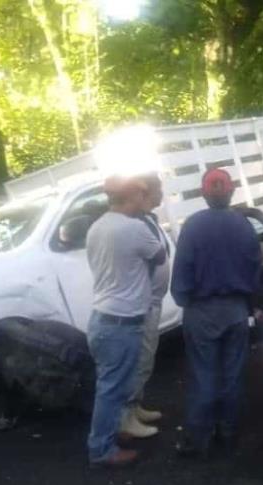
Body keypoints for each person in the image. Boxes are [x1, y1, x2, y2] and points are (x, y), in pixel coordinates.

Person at [171, 168, 263, 459]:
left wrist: (184, 299)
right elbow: (254, 269)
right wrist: (252, 305)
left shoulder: (193, 226)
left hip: (201, 310)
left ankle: (198, 438)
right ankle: (228, 431)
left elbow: (182, 270)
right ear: (232, 191)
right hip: (236, 310)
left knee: (204, 374)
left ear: (203, 193)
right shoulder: (244, 225)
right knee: (233, 373)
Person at [85, 175, 166, 468]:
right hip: (122, 323)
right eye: (139, 196)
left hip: (101, 319)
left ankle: (114, 435)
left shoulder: (97, 227)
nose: (142, 201)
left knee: (110, 386)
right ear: (130, 197)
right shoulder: (133, 228)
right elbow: (159, 255)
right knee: (110, 390)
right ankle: (102, 450)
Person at [119, 174, 171, 439]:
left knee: (146, 358)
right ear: (147, 192)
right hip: (144, 301)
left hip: (154, 299)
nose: (162, 193)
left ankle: (136, 406)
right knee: (139, 359)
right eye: (159, 188)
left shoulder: (149, 219)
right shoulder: (136, 223)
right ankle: (126, 417)